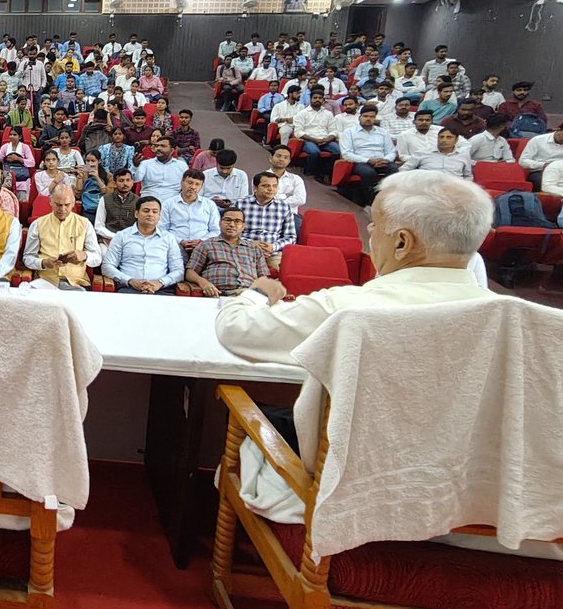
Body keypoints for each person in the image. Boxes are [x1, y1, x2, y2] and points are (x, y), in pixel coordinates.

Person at [214, 172, 496, 518]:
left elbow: (236, 330)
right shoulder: (521, 323)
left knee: (256, 411)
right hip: (477, 510)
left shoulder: (348, 308)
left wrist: (256, 293)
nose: (369, 234)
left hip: (356, 502)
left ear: (403, 243)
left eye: (375, 225)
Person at [23, 186, 101, 290]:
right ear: (50, 202)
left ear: (73, 203)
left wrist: (84, 255)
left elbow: (97, 258)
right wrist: (43, 263)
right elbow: (27, 258)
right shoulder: (38, 224)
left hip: (75, 284)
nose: (62, 209)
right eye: (58, 205)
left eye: (67, 205)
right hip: (45, 282)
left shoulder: (84, 224)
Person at [101, 196, 184, 293]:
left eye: (154, 211)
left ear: (159, 216)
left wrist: (159, 283)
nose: (150, 214)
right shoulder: (121, 236)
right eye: (146, 211)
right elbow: (107, 266)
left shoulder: (168, 238)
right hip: (128, 288)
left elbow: (179, 271)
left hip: (161, 290)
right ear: (136, 213)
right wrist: (130, 280)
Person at [184, 207, 270, 297]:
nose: (232, 224)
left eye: (237, 221)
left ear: (243, 226)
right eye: (227, 220)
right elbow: (190, 273)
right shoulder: (206, 245)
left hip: (249, 295)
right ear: (219, 223)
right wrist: (204, 283)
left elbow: (263, 276)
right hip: (219, 293)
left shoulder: (254, 248)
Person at [237, 171, 296, 272]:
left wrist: (273, 246)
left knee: (283, 274)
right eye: (266, 186)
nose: (271, 189)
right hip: (245, 250)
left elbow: (291, 237)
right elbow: (231, 233)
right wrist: (250, 243)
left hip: (273, 252)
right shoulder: (241, 204)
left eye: (274, 186)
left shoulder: (284, 206)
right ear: (255, 188)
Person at [338, 104, 396, 205]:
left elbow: (391, 151)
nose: (368, 119)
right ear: (359, 117)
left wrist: (386, 160)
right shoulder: (349, 132)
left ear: (375, 118)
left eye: (372, 117)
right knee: (368, 173)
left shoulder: (382, 132)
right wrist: (368, 160)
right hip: (360, 162)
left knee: (394, 170)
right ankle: (370, 202)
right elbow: (346, 153)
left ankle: (390, 201)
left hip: (382, 161)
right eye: (365, 116)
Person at [161, 169, 220, 259]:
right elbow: (162, 229)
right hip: (175, 246)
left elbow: (216, 230)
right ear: (182, 182)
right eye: (190, 182)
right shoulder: (168, 204)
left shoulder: (209, 205)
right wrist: (181, 241)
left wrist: (201, 241)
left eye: (197, 184)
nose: (193, 187)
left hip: (203, 248)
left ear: (201, 187)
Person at [292, 88, 339, 180]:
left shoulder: (328, 114)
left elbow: (334, 130)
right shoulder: (302, 113)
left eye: (320, 98)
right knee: (314, 152)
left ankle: (325, 173)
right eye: (315, 98)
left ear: (323, 100)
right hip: (309, 140)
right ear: (310, 99)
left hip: (326, 140)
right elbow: (298, 132)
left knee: (338, 151)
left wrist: (328, 139)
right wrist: (315, 140)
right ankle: (310, 172)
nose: (317, 100)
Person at [133, 137, 187, 203]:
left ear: (172, 150)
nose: (158, 148)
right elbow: (135, 179)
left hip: (172, 202)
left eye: (163, 146)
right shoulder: (146, 163)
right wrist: (135, 167)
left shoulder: (181, 165)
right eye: (157, 146)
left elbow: (186, 185)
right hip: (148, 201)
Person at [94, 168, 139, 246]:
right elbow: (98, 226)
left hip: (130, 241)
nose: (125, 183)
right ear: (115, 183)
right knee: (104, 255)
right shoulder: (105, 199)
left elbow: (139, 227)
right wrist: (115, 237)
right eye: (121, 180)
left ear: (132, 182)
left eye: (128, 180)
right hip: (108, 240)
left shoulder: (138, 201)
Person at [517, 122, 563, 190]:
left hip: (560, 170)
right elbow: (523, 161)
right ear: (558, 130)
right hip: (540, 170)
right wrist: (543, 165)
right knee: (543, 181)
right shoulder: (538, 140)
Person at [0, 126, 36, 201]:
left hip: (22, 177)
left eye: (14, 135)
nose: (12, 136)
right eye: (10, 134)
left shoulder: (25, 147)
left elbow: (32, 162)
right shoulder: (4, 147)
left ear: (20, 137)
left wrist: (18, 159)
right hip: (7, 176)